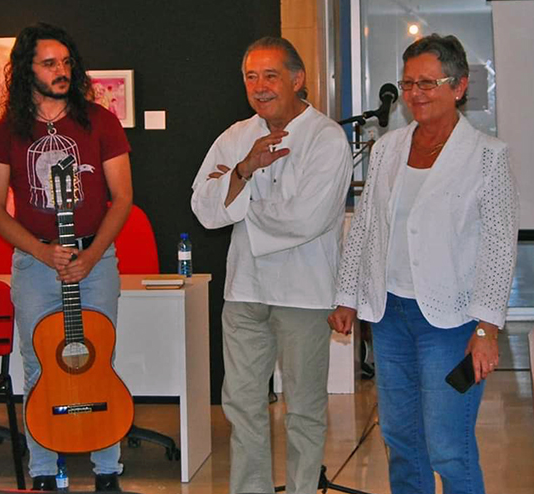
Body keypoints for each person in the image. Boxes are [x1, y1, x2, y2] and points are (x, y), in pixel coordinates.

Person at [328, 34, 519, 494]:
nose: (416, 93)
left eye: (429, 83)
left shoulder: (487, 156)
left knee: (448, 446)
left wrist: (486, 329)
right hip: (390, 316)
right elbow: (367, 225)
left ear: (459, 86)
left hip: (451, 323)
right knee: (400, 438)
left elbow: (499, 246)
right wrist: (347, 296)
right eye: (409, 82)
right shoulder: (389, 149)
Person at [191, 37, 352, 494]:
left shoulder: (327, 138)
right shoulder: (236, 136)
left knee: (303, 409)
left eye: (270, 76)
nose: (259, 87)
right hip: (244, 290)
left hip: (305, 293)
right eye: (250, 77)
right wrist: (242, 171)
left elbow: (307, 219)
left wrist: (237, 202)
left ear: (298, 79)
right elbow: (203, 209)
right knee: (241, 407)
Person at [0, 22, 132, 492]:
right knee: (38, 364)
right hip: (35, 264)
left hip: (95, 259)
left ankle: (108, 470)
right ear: (27, 69)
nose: (61, 70)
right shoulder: (4, 132)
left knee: (99, 357)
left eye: (66, 62)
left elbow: (122, 199)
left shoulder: (99, 121)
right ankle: (44, 472)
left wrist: (92, 256)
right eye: (50, 63)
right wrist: (44, 253)